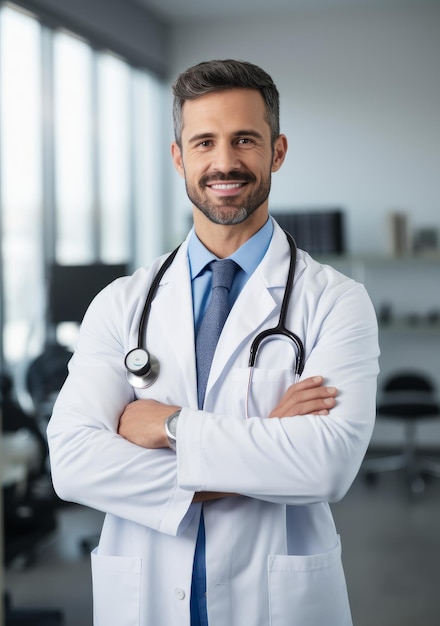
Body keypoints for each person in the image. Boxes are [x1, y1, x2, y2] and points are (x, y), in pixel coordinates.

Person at [47, 59, 379, 626]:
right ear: (179, 157)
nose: (224, 162)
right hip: (146, 598)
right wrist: (270, 444)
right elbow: (74, 463)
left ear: (276, 151)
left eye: (244, 140)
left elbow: (325, 466)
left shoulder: (337, 301)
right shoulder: (121, 303)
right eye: (204, 142)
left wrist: (171, 425)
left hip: (278, 604)